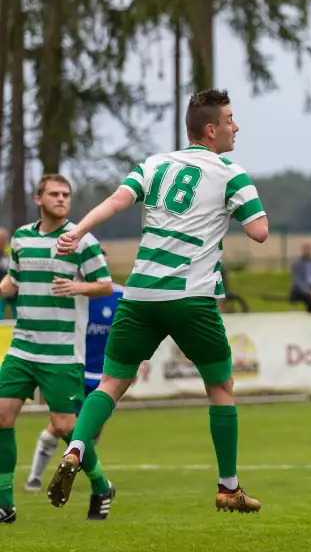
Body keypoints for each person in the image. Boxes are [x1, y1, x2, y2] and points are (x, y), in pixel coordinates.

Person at [45, 89, 269, 514]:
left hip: (140, 293)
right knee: (220, 386)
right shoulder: (230, 173)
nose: (235, 127)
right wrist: (232, 212)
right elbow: (260, 233)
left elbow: (116, 202)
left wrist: (77, 232)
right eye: (230, 119)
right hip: (190, 296)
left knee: (112, 384)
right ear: (210, 129)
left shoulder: (154, 165)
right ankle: (228, 486)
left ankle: (76, 448)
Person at [0, 175, 115, 524]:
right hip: (22, 348)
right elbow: (14, 281)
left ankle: (101, 484)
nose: (62, 199)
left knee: (66, 426)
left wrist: (77, 286)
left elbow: (106, 285)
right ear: (39, 199)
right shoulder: (21, 237)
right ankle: (5, 504)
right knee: (2, 416)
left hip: (62, 353)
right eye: (55, 194)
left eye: (66, 194)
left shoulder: (81, 240)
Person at [25, 265, 124, 507]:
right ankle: (35, 479)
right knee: (61, 425)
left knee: (91, 430)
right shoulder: (72, 296)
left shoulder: (120, 295)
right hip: (75, 371)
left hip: (105, 377)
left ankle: (79, 466)